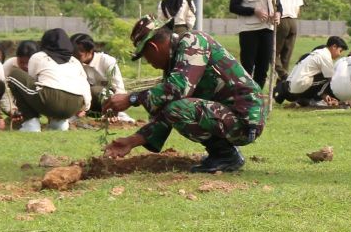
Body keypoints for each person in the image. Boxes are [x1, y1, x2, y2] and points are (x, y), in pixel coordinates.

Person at [101, 16, 265, 174]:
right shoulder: (175, 64)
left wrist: (132, 98)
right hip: (229, 116)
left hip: (245, 118)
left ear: (153, 47)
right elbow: (165, 114)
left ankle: (226, 156)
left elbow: (177, 90)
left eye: (145, 56)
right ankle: (223, 153)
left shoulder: (193, 42)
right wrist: (131, 141)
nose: (149, 63)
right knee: (173, 107)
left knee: (177, 108)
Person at [7, 29, 92, 132]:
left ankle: (31, 123)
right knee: (55, 88)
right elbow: (85, 85)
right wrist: (85, 107)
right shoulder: (75, 61)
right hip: (75, 104)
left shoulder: (39, 57)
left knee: (13, 74)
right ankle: (59, 124)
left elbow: (33, 82)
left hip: (50, 99)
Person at [229, 0, 280, 88]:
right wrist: (254, 11)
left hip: (267, 29)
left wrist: (278, 14)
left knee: (263, 67)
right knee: (247, 67)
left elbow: (278, 6)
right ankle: (246, 95)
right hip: (249, 30)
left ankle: (257, 96)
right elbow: (233, 7)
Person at [71, 33, 135, 122]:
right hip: (86, 106)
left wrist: (116, 109)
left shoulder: (107, 61)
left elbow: (119, 89)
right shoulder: (74, 64)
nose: (75, 54)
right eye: (73, 51)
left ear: (90, 50)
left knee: (96, 90)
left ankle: (120, 116)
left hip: (109, 104)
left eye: (79, 51)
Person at [281, 36, 347, 106]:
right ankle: (320, 99)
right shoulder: (325, 56)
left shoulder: (318, 52)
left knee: (325, 77)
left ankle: (305, 100)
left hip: (293, 87)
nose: (340, 54)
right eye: (340, 51)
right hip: (299, 86)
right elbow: (331, 80)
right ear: (334, 47)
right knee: (330, 79)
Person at [271, 0, 304, 81]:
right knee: (286, 57)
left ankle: (284, 76)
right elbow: (298, 8)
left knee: (272, 53)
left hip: (281, 20)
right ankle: (282, 88)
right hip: (293, 21)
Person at [0, 40, 39, 123]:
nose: (25, 66)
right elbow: (4, 90)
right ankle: (19, 116)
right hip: (16, 102)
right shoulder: (9, 65)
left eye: (28, 62)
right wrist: (11, 109)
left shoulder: (43, 66)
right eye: (21, 62)